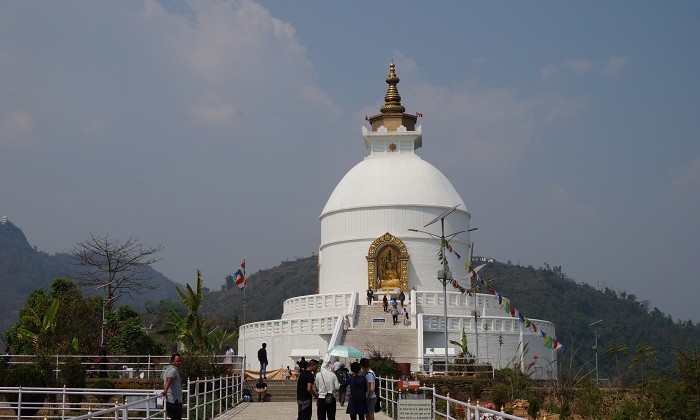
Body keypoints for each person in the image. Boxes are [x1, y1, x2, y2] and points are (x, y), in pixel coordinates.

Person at [162, 353, 183, 420]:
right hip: (174, 400)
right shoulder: (173, 370)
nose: (179, 363)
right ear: (172, 361)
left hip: (170, 399)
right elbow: (169, 380)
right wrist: (165, 391)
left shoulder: (167, 369)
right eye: (177, 361)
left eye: (180, 361)